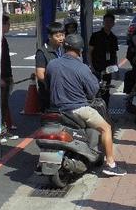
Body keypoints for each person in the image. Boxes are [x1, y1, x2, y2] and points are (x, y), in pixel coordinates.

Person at [46, 34, 127, 176]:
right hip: (77, 109)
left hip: (55, 109)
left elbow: (48, 83)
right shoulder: (82, 68)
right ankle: (111, 164)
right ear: (80, 50)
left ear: (65, 47)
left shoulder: (52, 64)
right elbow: (93, 90)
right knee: (106, 128)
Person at [88, 12, 118, 104]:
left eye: (110, 22)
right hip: (96, 67)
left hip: (108, 69)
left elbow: (115, 54)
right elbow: (90, 52)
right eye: (106, 21)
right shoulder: (96, 36)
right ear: (103, 22)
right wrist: (91, 66)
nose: (108, 24)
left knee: (106, 90)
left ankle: (105, 110)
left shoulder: (113, 38)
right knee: (95, 90)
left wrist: (116, 68)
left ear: (113, 23)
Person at [35, 22, 65, 111]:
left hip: (63, 92)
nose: (61, 38)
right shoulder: (42, 52)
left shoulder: (63, 48)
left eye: (63, 35)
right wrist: (51, 84)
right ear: (49, 37)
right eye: (58, 36)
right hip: (49, 94)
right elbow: (40, 74)